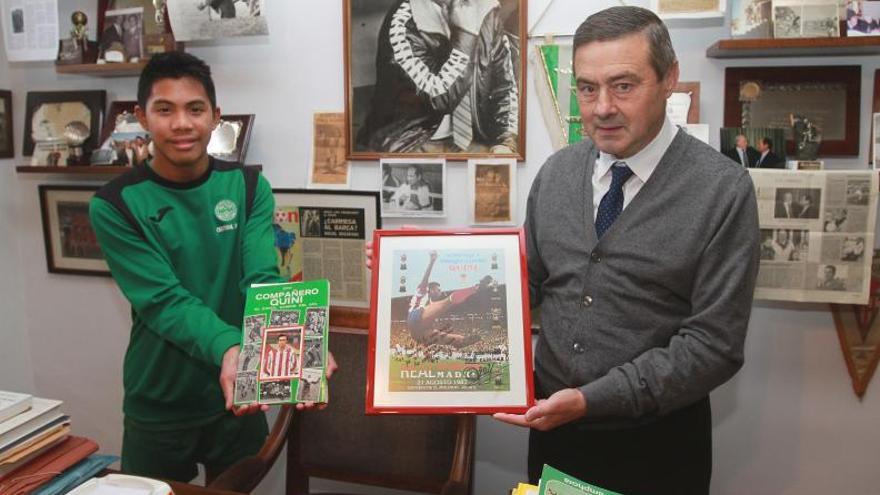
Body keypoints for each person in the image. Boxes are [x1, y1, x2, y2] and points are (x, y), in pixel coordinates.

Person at [489, 7, 759, 494]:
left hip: (658, 449)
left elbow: (714, 346)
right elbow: (523, 285)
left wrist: (592, 400)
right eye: (588, 87)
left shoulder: (723, 191)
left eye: (624, 85)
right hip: (555, 438)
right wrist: (420, 279)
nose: (601, 108)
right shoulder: (555, 174)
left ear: (669, 79)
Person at [90, 52, 335, 483]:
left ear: (215, 116)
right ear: (141, 117)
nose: (182, 123)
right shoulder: (113, 204)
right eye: (165, 110)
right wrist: (229, 347)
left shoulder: (248, 186)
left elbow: (262, 278)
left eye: (195, 109)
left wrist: (298, 344)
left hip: (239, 397)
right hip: (161, 402)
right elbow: (164, 301)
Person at [355, 0, 519, 154]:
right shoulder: (404, 21)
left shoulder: (487, 10)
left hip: (475, 138)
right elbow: (439, 99)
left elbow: (505, 87)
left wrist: (506, 140)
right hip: (411, 143)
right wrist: (467, 34)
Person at [406, 251, 491, 347]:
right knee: (448, 301)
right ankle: (476, 287)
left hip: (418, 334)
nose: (440, 291)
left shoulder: (431, 304)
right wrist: (432, 261)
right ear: (431, 290)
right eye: (438, 290)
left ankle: (461, 341)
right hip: (414, 316)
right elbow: (426, 278)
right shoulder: (423, 292)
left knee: (447, 337)